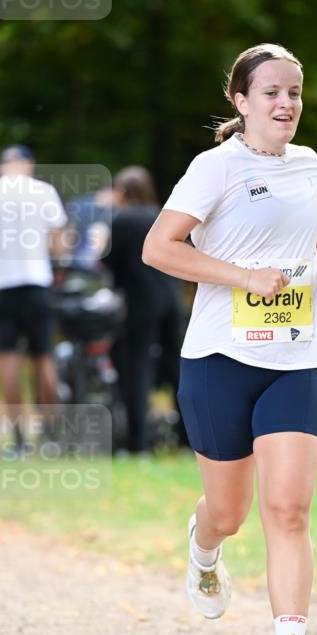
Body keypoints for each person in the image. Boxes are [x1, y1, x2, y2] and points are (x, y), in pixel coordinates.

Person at [143, 43, 317, 635]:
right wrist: (242, 277)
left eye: (293, 92)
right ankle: (203, 550)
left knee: (288, 510)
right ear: (240, 101)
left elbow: (307, 232)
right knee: (230, 514)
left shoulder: (308, 163)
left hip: (295, 359)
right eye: (270, 92)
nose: (285, 104)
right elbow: (159, 249)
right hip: (218, 361)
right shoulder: (215, 168)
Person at [0, 144, 68, 452]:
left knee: (7, 362)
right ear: (28, 164)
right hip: (36, 285)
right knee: (43, 359)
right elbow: (58, 246)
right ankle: (52, 435)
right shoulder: (43, 192)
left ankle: (20, 440)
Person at [104, 166, 187, 454]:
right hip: (172, 300)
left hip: (140, 303)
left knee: (136, 368)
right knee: (177, 368)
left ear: (123, 192)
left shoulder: (122, 220)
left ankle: (139, 443)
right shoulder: (161, 216)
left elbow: (107, 262)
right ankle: (187, 438)